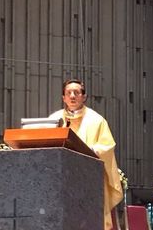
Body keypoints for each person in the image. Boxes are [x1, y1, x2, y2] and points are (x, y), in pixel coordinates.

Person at [50, 79, 123, 230]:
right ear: (63, 97)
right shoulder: (53, 120)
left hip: (88, 178)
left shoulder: (97, 121)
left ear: (84, 96)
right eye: (68, 93)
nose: (72, 96)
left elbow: (107, 147)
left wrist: (90, 149)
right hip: (60, 179)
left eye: (76, 93)